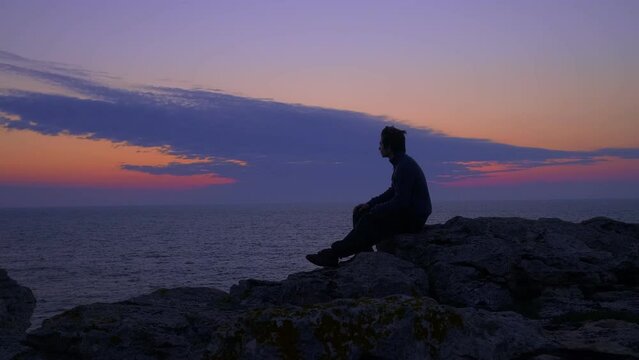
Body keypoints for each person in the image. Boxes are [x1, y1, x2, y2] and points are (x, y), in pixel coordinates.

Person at [306, 125, 432, 267]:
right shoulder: (400, 164)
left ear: (389, 147)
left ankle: (333, 254)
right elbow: (393, 191)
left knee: (368, 220)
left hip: (412, 219)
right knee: (360, 212)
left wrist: (376, 210)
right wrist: (371, 204)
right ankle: (363, 253)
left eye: (381, 144)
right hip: (407, 213)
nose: (379, 147)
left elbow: (401, 201)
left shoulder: (404, 167)